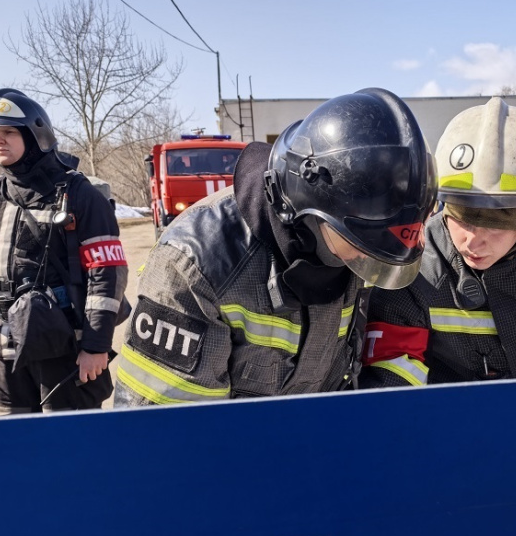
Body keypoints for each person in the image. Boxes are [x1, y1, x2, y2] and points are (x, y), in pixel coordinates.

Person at [113, 88, 436, 406]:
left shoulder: (346, 241)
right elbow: (166, 428)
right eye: (361, 244)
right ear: (308, 211)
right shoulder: (195, 265)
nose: (366, 260)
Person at [359, 97, 516, 387]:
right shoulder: (416, 270)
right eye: (462, 222)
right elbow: (392, 389)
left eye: (495, 228)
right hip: (455, 416)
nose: (473, 243)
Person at [0, 88, 128, 414]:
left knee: (70, 439)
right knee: (12, 438)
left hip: (64, 350)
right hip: (3, 350)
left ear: (35, 134)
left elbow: (107, 275)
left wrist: (96, 347)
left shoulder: (79, 195)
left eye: (9, 131)